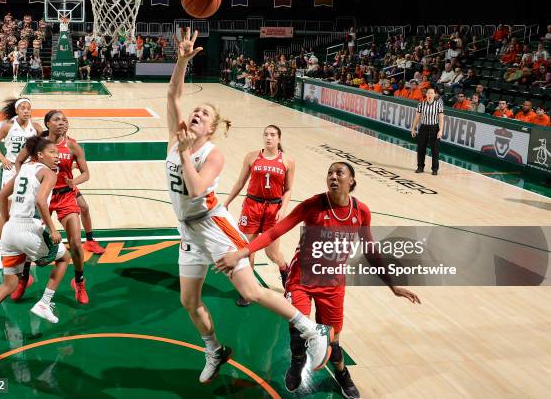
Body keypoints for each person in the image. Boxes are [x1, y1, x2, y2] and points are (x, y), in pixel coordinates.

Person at [166, 27, 333, 384]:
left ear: (211, 128)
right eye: (195, 110)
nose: (196, 113)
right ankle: (214, 350)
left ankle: (310, 330)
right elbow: (172, 94)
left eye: (204, 113)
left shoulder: (214, 154)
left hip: (213, 223)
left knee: (250, 290)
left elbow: (196, 190)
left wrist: (182, 153)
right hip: (188, 231)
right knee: (189, 301)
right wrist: (181, 61)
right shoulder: (176, 137)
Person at [217, 161, 421, 395]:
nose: (333, 176)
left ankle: (342, 373)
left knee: (332, 343)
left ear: (351, 181)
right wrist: (242, 252)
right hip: (301, 278)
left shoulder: (361, 211)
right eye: (330, 173)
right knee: (298, 327)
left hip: (333, 284)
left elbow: (370, 250)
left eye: (339, 173)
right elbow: (275, 231)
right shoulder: (312, 205)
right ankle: (297, 361)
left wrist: (392, 284)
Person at [0, 136, 72, 351]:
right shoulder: (48, 173)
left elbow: (2, 194)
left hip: (10, 230)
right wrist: (52, 229)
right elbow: (42, 201)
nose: (57, 156)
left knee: (9, 284)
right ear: (40, 155)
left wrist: (5, 219)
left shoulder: (23, 169)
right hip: (29, 229)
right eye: (52, 152)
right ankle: (44, 302)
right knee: (65, 258)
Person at [15, 110, 95, 304]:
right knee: (28, 240)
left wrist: (73, 181)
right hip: (43, 197)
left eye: (65, 120)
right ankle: (24, 279)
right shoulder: (36, 144)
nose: (62, 123)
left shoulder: (73, 146)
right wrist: (23, 183)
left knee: (75, 242)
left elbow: (86, 173)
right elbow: (18, 161)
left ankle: (79, 281)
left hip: (65, 196)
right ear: (47, 124)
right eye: (57, 120)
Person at [224, 125, 294, 306]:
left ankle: (285, 271)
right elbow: (240, 182)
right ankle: (248, 290)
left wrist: (283, 209)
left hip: (273, 209)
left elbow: (288, 190)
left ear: (279, 138)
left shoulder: (288, 161)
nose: (268, 138)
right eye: (266, 135)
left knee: (272, 253)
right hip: (252, 206)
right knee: (247, 249)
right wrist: (227, 202)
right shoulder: (252, 156)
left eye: (272, 135)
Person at [0, 98, 44, 269]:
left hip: (28, 170)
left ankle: (25, 248)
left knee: (28, 210)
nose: (26, 111)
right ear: (16, 110)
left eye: (29, 108)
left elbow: (41, 148)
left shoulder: (36, 128)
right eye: (23, 108)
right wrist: (3, 158)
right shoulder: (7, 126)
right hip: (11, 168)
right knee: (7, 211)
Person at [411, 88, 444, 175]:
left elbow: (441, 118)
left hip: (434, 128)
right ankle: (420, 167)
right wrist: (413, 128)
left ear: (434, 95)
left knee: (435, 149)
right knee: (421, 148)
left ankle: (435, 169)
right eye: (428, 93)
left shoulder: (438, 105)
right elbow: (417, 117)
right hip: (424, 127)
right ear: (426, 95)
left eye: (431, 93)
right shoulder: (421, 104)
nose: (430, 94)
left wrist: (440, 130)